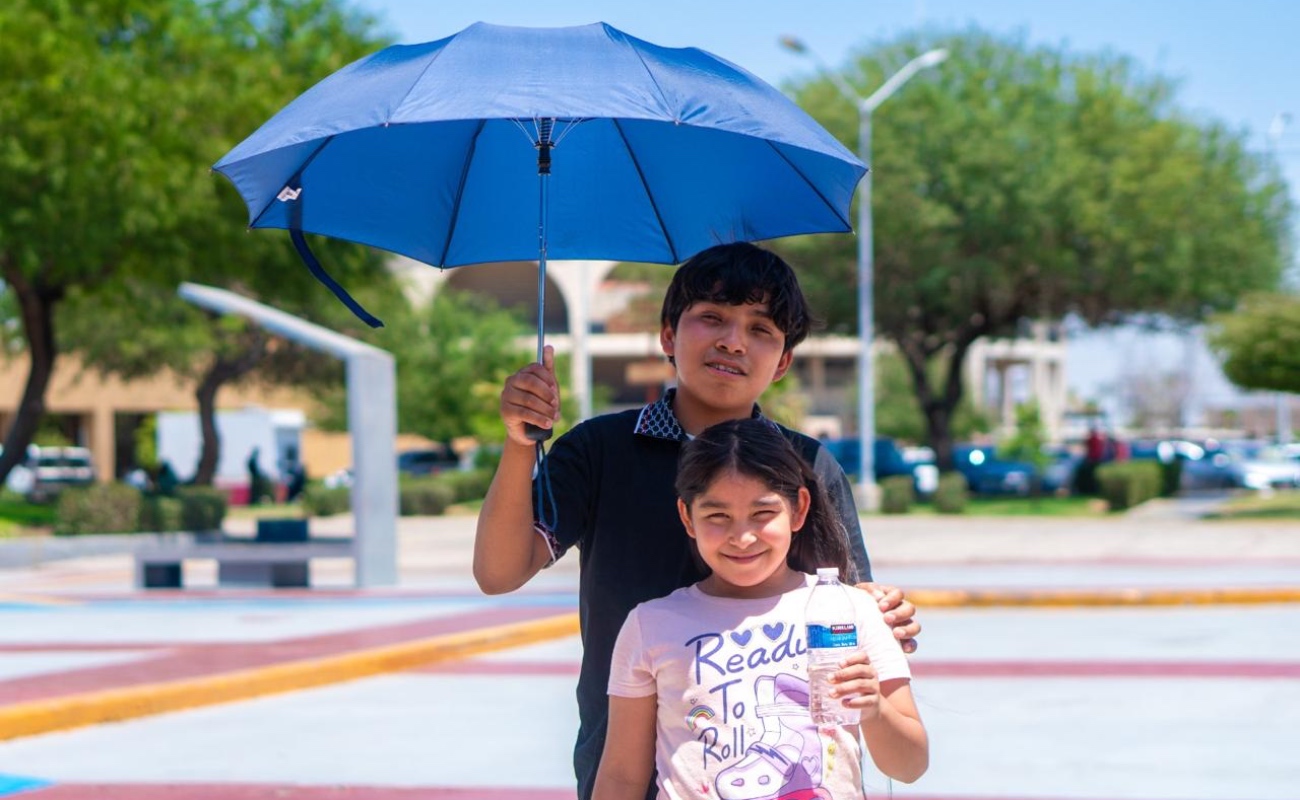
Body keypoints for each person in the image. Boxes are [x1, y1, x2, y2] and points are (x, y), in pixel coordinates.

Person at [474, 242, 920, 800]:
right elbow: (498, 572)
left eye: (761, 329)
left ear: (783, 361)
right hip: (623, 767)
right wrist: (520, 444)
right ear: (668, 335)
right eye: (712, 317)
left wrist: (879, 608)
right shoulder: (600, 450)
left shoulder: (807, 467)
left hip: (782, 774)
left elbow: (841, 609)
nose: (733, 340)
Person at [593, 419, 928, 800]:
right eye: (717, 516)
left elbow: (910, 765)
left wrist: (875, 710)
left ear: (799, 509)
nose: (742, 537)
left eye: (762, 513)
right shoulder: (650, 625)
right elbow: (621, 777)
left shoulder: (853, 610)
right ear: (688, 517)